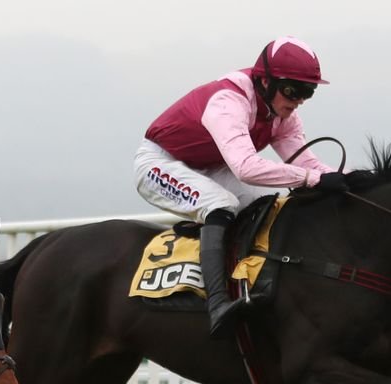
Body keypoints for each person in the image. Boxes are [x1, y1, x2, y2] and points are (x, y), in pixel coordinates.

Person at [133, 36, 348, 337]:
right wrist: (313, 179)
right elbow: (247, 168)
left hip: (211, 165)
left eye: (307, 92)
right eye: (292, 90)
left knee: (269, 205)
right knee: (220, 204)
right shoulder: (228, 102)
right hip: (160, 162)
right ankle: (218, 303)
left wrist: (352, 179)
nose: (298, 100)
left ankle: (254, 285)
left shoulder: (281, 114)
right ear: (265, 81)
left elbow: (307, 165)